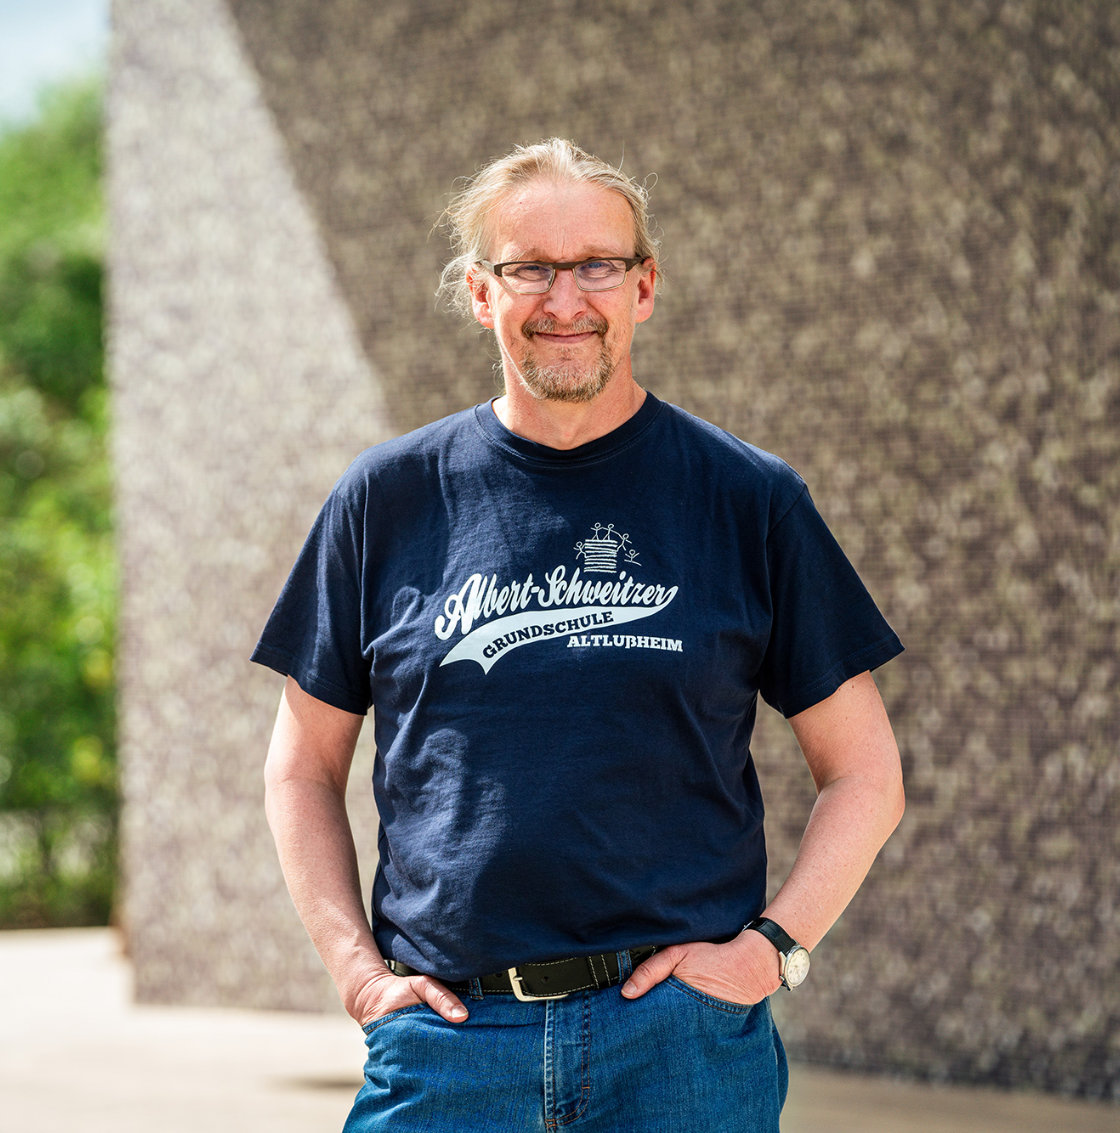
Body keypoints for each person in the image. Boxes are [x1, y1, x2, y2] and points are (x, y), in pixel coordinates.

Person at [253, 137, 904, 1131]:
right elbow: (300, 768)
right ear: (480, 292)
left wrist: (771, 950)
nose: (566, 300)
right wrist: (357, 972)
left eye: (597, 265)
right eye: (530, 269)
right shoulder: (385, 499)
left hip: (680, 1049)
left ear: (643, 287)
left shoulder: (747, 499)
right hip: (450, 1043)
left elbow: (864, 772)